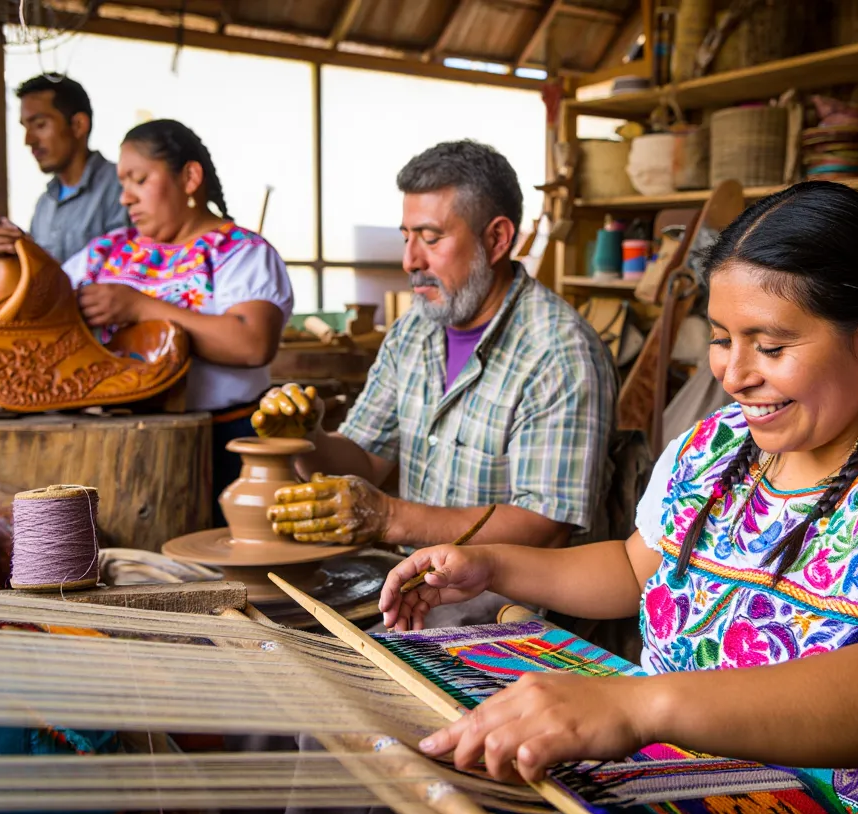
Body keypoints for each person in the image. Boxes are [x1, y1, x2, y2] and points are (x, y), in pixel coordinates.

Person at [379, 181, 858, 814]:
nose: (734, 375)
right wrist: (491, 565)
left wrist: (641, 706)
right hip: (705, 777)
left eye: (770, 345)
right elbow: (633, 568)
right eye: (720, 338)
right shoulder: (721, 447)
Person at [253, 141, 616, 612]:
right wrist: (307, 438)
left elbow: (543, 527)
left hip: (506, 604)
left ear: (498, 238)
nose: (409, 261)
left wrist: (388, 517)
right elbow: (364, 459)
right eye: (406, 236)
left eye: (430, 237)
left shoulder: (560, 352)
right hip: (410, 585)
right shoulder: (414, 331)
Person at [58, 118, 293, 517]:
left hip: (225, 447)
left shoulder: (241, 252)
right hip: (113, 446)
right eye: (122, 183)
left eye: (139, 179)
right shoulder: (106, 252)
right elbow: (43, 309)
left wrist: (140, 306)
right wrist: (12, 258)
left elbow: (253, 344)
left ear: (189, 177)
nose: (125, 198)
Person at [0, 75, 126, 264]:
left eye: (40, 125)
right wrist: (13, 249)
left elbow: (129, 272)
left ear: (78, 125)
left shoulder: (123, 187)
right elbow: (44, 280)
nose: (28, 140)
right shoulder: (45, 205)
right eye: (25, 128)